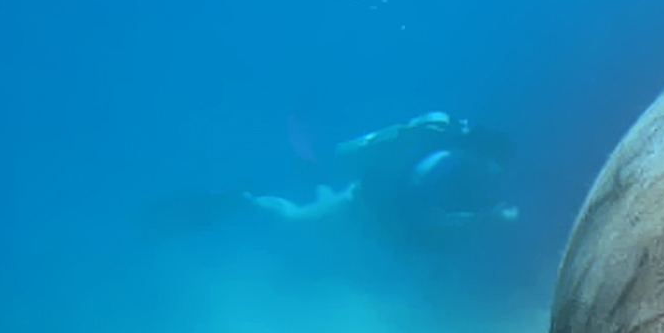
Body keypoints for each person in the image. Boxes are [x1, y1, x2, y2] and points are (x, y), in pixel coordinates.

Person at [143, 111, 518, 252]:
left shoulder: (444, 137)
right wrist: (487, 219)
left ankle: (299, 163)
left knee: (318, 194)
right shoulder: (446, 153)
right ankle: (242, 198)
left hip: (358, 196)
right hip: (358, 206)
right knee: (297, 217)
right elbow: (424, 208)